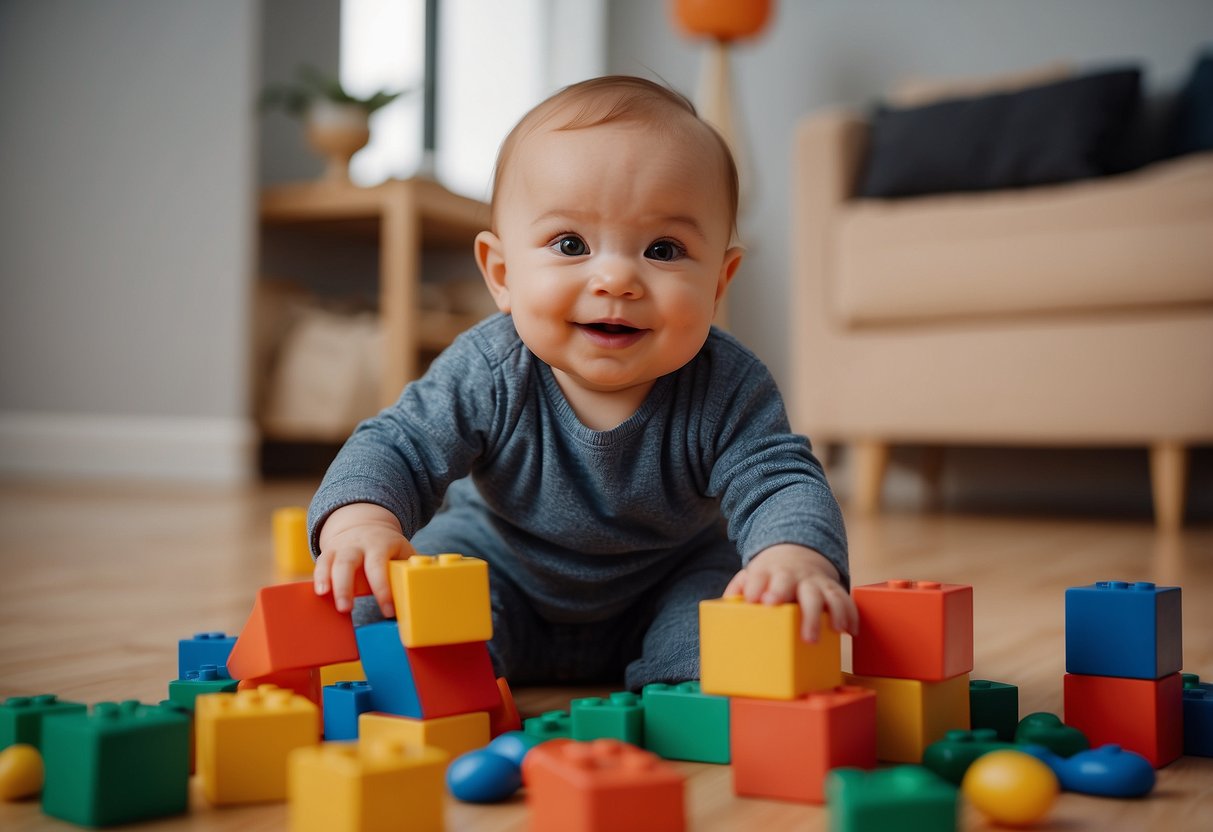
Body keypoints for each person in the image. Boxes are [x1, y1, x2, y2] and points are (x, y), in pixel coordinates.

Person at [308, 75, 855, 690]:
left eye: (665, 249)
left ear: (720, 282)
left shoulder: (727, 385)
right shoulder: (490, 368)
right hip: (498, 573)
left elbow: (780, 479)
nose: (617, 278)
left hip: (664, 588)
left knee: (741, 627)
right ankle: (449, 686)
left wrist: (795, 556)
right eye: (571, 243)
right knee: (387, 611)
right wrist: (362, 524)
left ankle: (684, 685)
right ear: (502, 273)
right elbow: (398, 445)